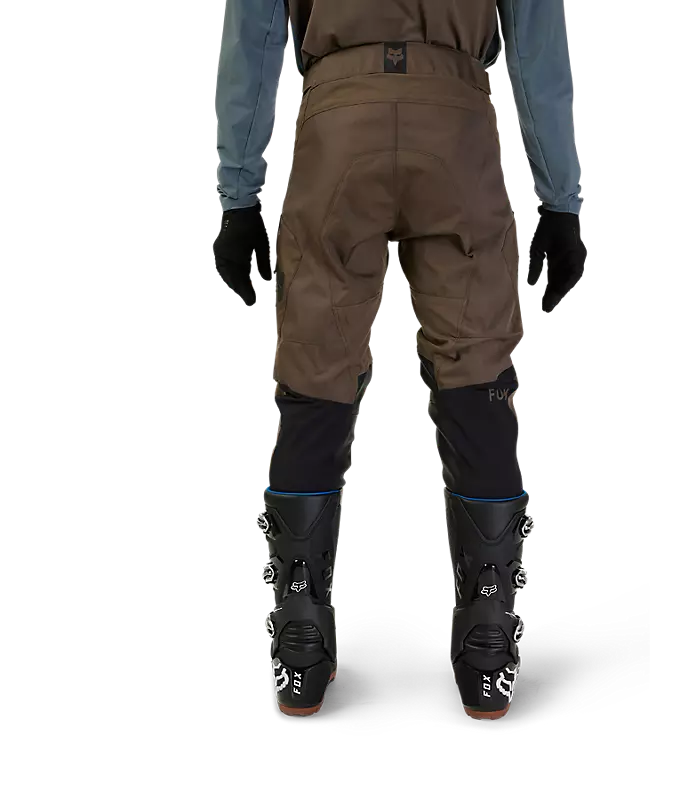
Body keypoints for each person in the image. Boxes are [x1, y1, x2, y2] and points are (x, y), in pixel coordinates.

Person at [213, 0, 587, 721]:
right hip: (457, 133)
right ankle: (486, 647)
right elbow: (538, 51)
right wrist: (560, 203)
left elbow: (252, 42)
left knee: (316, 381)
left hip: (337, 128)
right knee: (476, 381)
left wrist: (238, 198)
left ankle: (300, 644)